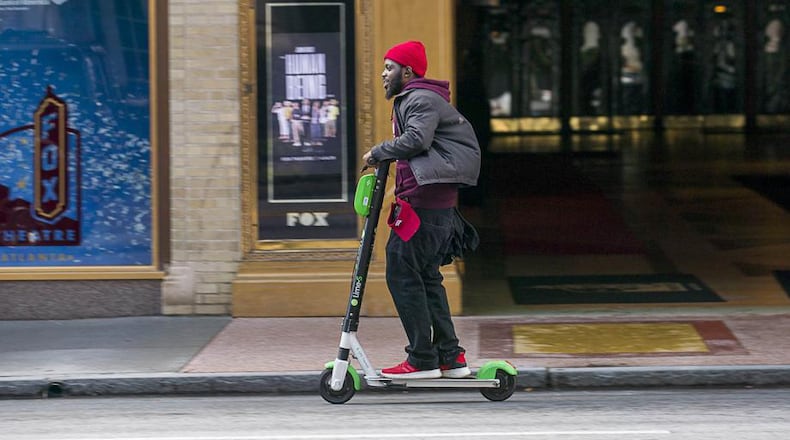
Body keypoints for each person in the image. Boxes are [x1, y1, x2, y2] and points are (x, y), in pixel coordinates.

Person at [362, 40, 481, 379]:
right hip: (429, 207)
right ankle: (450, 358)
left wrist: (378, 152)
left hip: (424, 209)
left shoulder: (420, 99)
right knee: (427, 278)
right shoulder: (420, 99)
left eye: (390, 67)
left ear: (408, 71)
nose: (384, 74)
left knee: (400, 272)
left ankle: (421, 359)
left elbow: (417, 140)